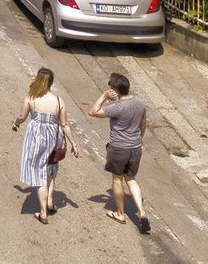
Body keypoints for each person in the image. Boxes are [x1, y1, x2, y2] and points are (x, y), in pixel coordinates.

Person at [90, 71, 151, 233]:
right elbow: (143, 124)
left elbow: (93, 112)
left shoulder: (116, 107)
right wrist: (140, 141)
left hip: (118, 148)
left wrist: (103, 96)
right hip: (135, 147)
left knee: (117, 180)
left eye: (110, 86)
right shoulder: (139, 102)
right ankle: (142, 212)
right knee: (131, 178)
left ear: (115, 89)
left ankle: (120, 214)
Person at [12, 67, 75, 223]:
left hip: (36, 137)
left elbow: (22, 116)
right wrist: (74, 143)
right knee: (51, 167)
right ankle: (49, 200)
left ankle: (43, 212)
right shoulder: (59, 101)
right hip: (54, 137)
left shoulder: (31, 97)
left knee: (39, 173)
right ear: (51, 82)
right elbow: (65, 124)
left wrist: (16, 123)